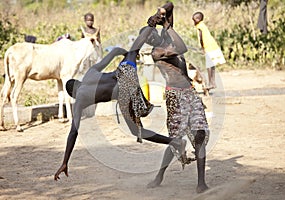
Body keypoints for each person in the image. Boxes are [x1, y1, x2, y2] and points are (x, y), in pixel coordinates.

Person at [54, 27, 187, 181]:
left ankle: (175, 142)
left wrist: (65, 161)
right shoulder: (91, 73)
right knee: (133, 49)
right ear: (78, 81)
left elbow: (73, 133)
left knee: (138, 131)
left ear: (73, 94)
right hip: (125, 73)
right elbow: (114, 51)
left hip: (122, 92)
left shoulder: (79, 101)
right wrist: (128, 55)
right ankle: (151, 24)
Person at [144, 2, 210, 193]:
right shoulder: (158, 52)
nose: (153, 35)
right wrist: (164, 24)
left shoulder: (166, 37)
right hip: (174, 97)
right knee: (176, 140)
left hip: (190, 93)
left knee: (200, 134)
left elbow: (170, 5)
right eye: (149, 36)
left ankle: (201, 183)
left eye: (152, 32)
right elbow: (182, 48)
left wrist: (161, 12)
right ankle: (159, 176)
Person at [192, 11, 226, 90]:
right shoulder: (202, 25)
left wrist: (202, 48)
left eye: (195, 20)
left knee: (209, 66)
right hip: (212, 45)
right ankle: (212, 83)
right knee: (212, 65)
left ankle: (211, 83)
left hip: (208, 47)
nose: (194, 22)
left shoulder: (199, 26)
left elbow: (201, 38)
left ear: (199, 19)